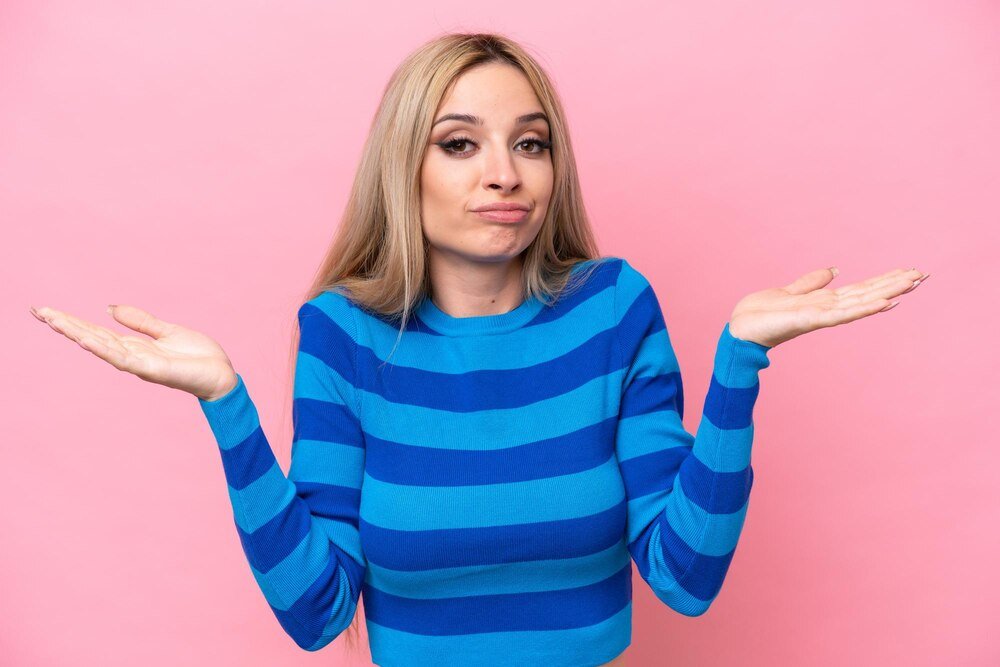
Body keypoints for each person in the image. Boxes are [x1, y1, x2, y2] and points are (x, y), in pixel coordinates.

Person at [29, 32, 928, 667]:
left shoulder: (614, 310)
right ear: (404, 167)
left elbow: (685, 575)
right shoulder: (343, 335)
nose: (505, 172)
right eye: (460, 144)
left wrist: (738, 364)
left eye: (530, 143)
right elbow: (317, 611)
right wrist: (226, 404)